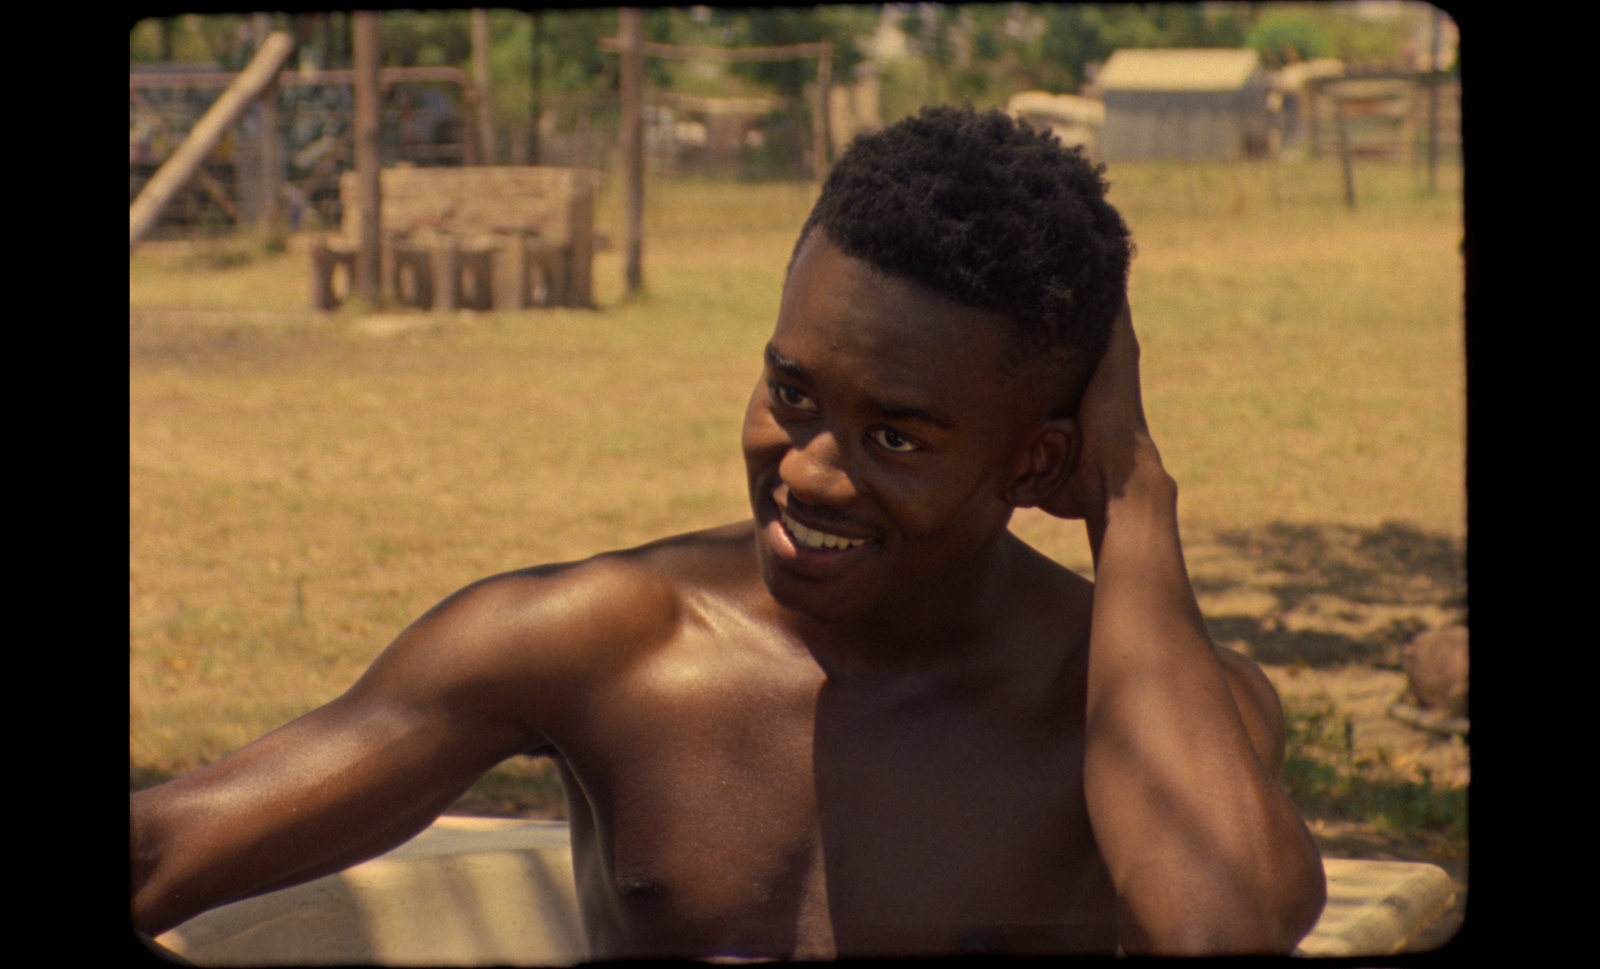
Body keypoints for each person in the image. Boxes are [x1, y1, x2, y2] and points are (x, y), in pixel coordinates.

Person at [131, 106, 1326, 958]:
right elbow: (168, 853)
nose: (806, 472)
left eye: (896, 439)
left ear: (1039, 461)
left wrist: (1133, 500)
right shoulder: (608, 646)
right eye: (791, 394)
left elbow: (1219, 929)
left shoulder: (1142, 703)